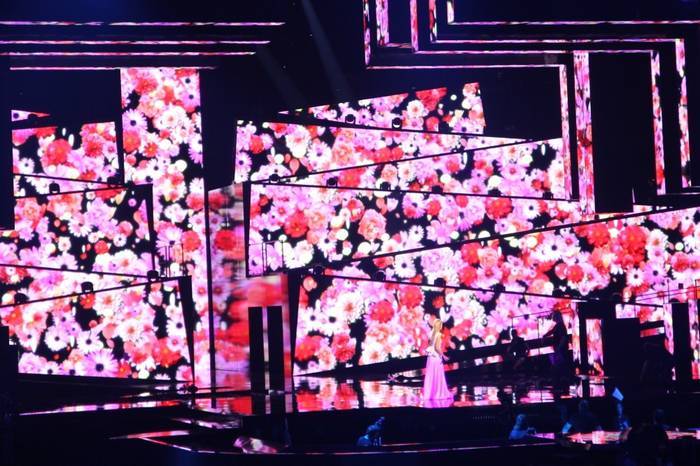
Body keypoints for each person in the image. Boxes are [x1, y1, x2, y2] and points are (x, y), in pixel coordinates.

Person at [422, 319, 452, 401]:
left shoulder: (430, 334)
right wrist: (444, 356)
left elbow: (430, 346)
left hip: (430, 358)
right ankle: (438, 393)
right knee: (438, 375)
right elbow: (437, 348)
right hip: (436, 357)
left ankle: (430, 394)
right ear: (440, 326)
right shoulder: (438, 335)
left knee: (431, 375)